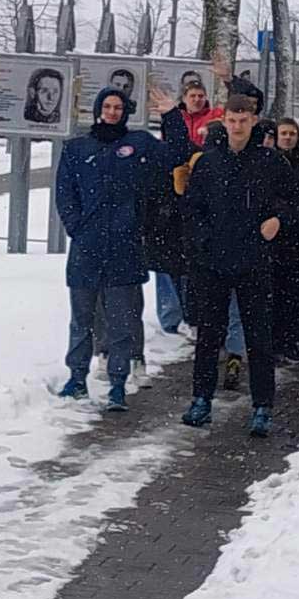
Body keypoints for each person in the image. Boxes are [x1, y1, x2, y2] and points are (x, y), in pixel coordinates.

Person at [180, 95, 295, 436]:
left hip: (254, 261)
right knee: (208, 337)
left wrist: (277, 219)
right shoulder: (209, 163)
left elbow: (294, 199)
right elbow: (193, 208)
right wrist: (202, 243)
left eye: (244, 120)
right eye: (232, 120)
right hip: (214, 262)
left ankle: (262, 406)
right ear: (225, 121)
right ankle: (201, 400)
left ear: (254, 121)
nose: (237, 126)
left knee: (259, 338)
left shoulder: (270, 162)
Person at [54, 87, 169, 411]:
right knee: (82, 319)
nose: (113, 111)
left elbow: (172, 159)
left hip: (124, 248)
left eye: (118, 107)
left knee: (121, 320)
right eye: (107, 106)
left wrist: (141, 222)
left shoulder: (139, 144)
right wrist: (77, 227)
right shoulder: (78, 148)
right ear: (98, 109)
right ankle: (76, 377)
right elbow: (65, 192)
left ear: (126, 111)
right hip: (87, 248)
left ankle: (118, 383)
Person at [149, 73, 225, 334]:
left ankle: (191, 315)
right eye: (192, 96)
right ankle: (171, 318)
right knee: (167, 267)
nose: (197, 99)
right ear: (184, 99)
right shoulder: (167, 141)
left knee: (188, 267)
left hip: (193, 203)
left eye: (200, 95)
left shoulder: (213, 119)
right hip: (168, 207)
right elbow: (177, 144)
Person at [270, 117, 299, 361]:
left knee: (297, 293)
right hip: (274, 235)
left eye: (291, 134)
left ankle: (289, 339)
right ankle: (274, 341)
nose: (287, 137)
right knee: (274, 293)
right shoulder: (267, 160)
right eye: (283, 133)